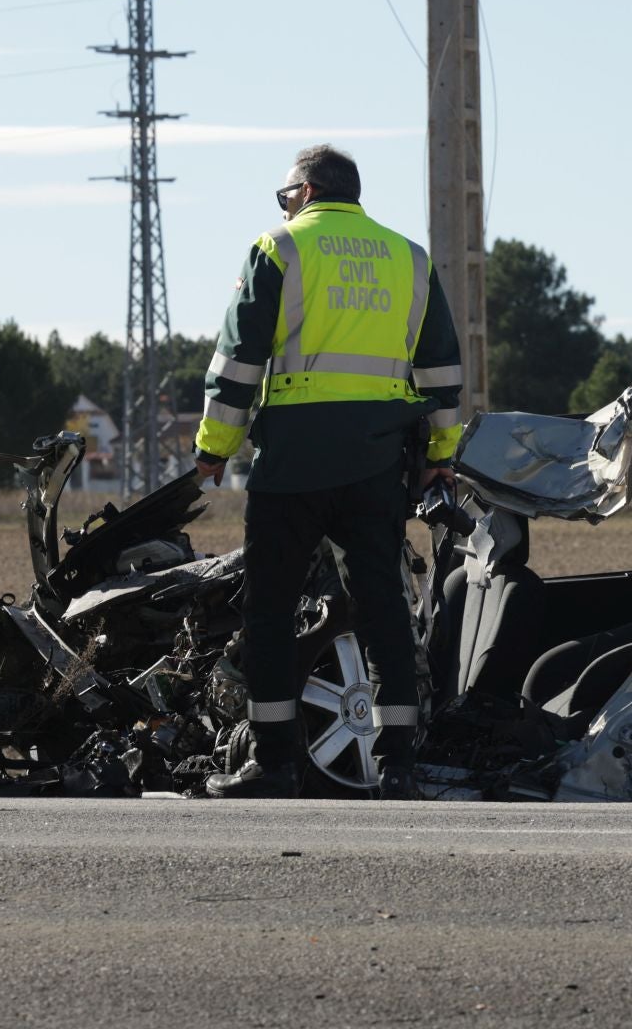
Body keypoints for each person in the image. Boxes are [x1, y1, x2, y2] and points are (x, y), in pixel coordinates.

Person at [194, 144, 463, 799]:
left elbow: (238, 364)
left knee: (269, 610)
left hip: (292, 461)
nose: (286, 208)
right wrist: (440, 454)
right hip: (375, 461)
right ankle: (398, 764)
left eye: (287, 198)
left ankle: (273, 762)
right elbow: (443, 371)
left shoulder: (279, 249)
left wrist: (213, 449)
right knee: (383, 608)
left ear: (307, 192)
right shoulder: (409, 259)